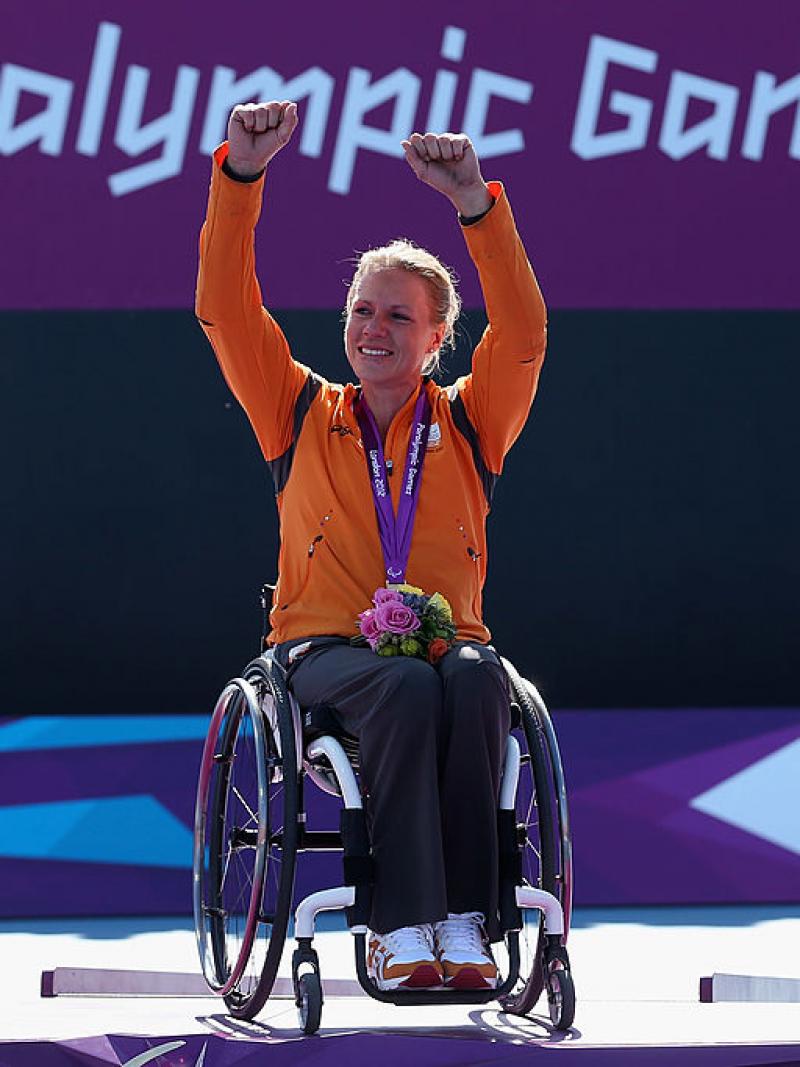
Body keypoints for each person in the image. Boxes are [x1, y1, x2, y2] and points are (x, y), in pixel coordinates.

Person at [196, 100, 547, 992]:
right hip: (320, 655)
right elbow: (226, 313)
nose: (374, 328)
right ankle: (399, 927)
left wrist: (476, 202)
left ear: (438, 338)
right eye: (362, 310)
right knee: (401, 681)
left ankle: (469, 923)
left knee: (472, 675)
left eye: (399, 315)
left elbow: (528, 333)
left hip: (446, 651)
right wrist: (240, 177)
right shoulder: (299, 410)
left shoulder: (471, 419)